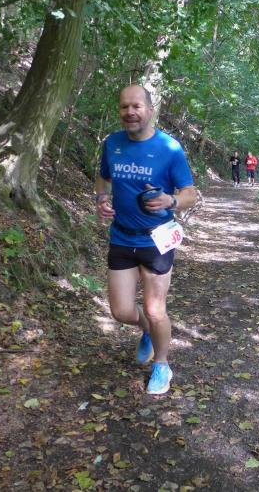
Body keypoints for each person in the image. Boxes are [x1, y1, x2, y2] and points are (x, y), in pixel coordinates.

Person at [95, 85, 197, 395]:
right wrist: (101, 197)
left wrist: (171, 201)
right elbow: (103, 177)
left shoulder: (169, 148)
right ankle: (148, 333)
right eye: (124, 106)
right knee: (121, 312)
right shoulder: (112, 144)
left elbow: (190, 194)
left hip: (156, 240)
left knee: (155, 310)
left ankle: (162, 365)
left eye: (136, 106)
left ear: (150, 110)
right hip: (122, 237)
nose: (130, 112)